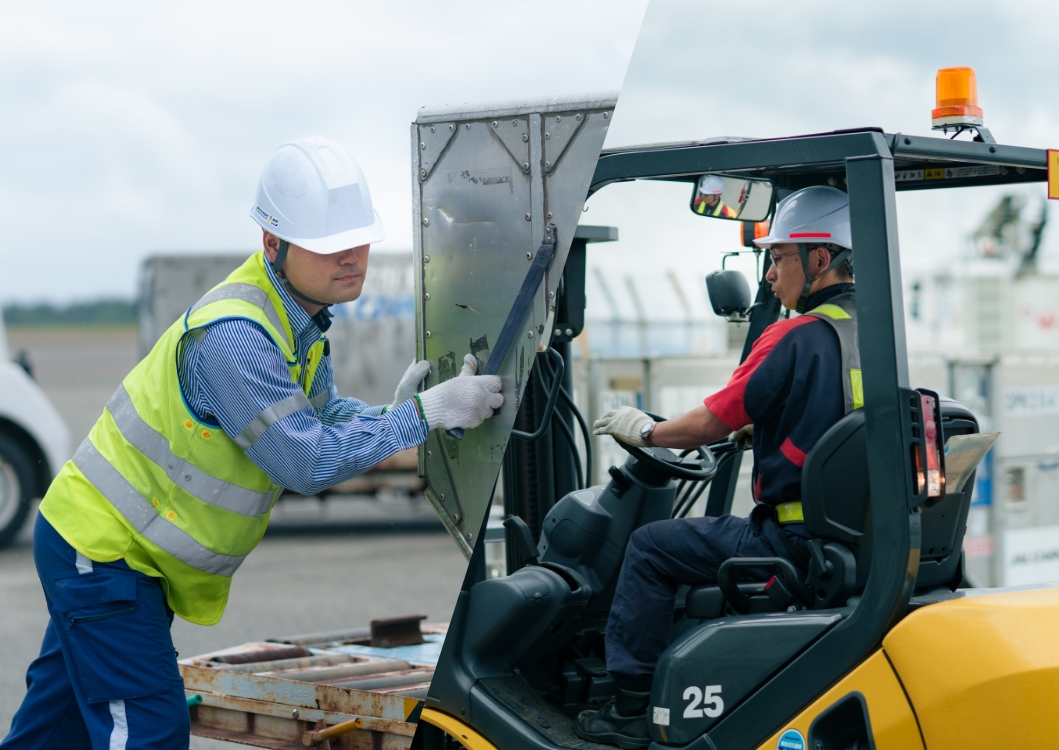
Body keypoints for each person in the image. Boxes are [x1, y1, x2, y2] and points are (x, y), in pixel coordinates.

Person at [2, 137, 503, 750]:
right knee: (149, 732)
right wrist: (421, 416)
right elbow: (305, 460)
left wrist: (398, 413)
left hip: (117, 552)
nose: (351, 257)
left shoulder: (298, 313)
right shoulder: (237, 337)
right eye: (327, 244)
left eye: (358, 238)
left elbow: (319, 416)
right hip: (106, 553)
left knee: (54, 729)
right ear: (273, 243)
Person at [576, 186, 859, 748]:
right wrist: (769, 428)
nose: (772, 276)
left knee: (651, 548)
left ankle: (631, 708)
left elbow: (709, 423)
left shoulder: (796, 334)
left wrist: (647, 431)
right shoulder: (873, 333)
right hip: (847, 540)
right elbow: (837, 414)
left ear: (819, 259)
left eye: (778, 258)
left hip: (789, 541)